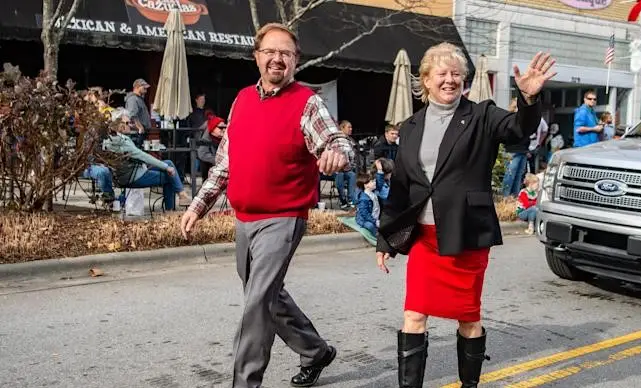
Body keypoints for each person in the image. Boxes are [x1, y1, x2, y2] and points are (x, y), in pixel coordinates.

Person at [179, 23, 355, 388]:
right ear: (257, 57)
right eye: (270, 52)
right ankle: (316, 351)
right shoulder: (242, 99)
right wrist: (198, 206)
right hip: (245, 217)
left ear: (295, 61)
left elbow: (335, 140)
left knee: (256, 302)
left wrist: (338, 153)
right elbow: (226, 163)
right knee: (265, 295)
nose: (277, 59)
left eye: (286, 54)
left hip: (284, 217)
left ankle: (245, 383)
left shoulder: (307, 103)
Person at [375, 43, 555, 388]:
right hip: (426, 240)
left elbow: (519, 130)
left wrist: (529, 100)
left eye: (456, 73)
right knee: (413, 315)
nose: (450, 80)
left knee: (468, 318)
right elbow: (401, 186)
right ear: (425, 81)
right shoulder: (410, 126)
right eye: (441, 73)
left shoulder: (482, 115)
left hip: (466, 235)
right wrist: (386, 238)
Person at [104, 113, 190, 211]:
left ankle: (181, 194)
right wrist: (166, 168)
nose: (131, 125)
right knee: (169, 176)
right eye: (128, 123)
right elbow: (144, 156)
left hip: (125, 174)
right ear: (120, 125)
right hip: (134, 176)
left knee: (169, 163)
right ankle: (171, 209)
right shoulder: (123, 142)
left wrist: (166, 166)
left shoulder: (110, 140)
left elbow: (138, 154)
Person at [197, 115, 225, 180]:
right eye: (221, 127)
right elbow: (202, 154)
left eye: (225, 127)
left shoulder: (224, 136)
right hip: (211, 169)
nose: (224, 130)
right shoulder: (206, 138)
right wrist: (219, 161)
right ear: (213, 128)